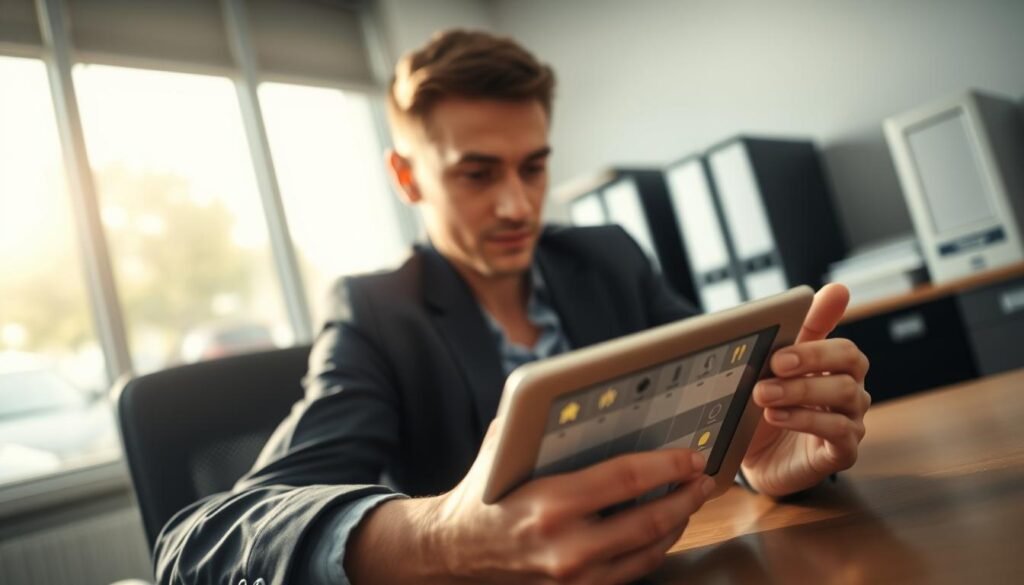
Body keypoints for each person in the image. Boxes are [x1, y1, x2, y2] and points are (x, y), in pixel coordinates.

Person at [154, 30, 870, 585]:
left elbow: (723, 392)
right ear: (406, 176)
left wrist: (757, 446)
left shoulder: (608, 257)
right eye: (477, 174)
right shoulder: (377, 313)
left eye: (533, 168)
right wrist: (439, 538)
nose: (516, 205)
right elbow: (196, 543)